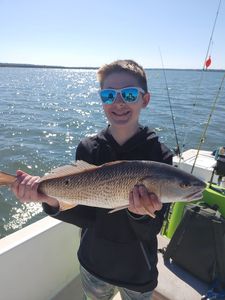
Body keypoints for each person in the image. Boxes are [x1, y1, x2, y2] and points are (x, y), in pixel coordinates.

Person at [11, 59, 173, 300]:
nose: (118, 103)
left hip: (138, 271)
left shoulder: (160, 156)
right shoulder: (88, 148)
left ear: (145, 100)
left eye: (129, 94)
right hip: (93, 264)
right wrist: (51, 201)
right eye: (109, 95)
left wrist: (140, 214)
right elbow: (86, 216)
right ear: (101, 99)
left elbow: (153, 229)